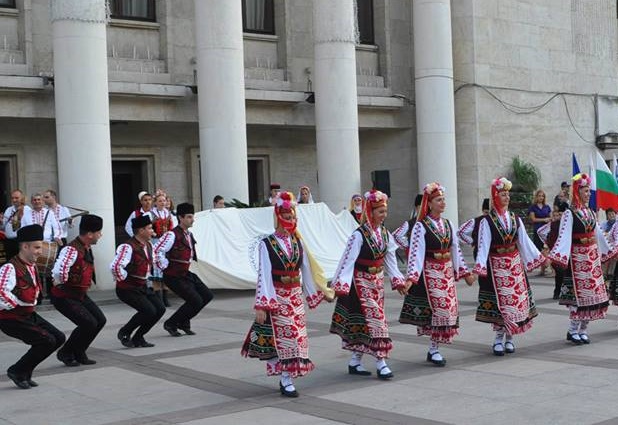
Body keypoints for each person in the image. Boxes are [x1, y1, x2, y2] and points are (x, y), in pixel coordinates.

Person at [241, 192, 327, 397]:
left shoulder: (298, 242)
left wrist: (316, 292)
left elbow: (306, 269)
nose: (291, 221)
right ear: (278, 216)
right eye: (287, 217)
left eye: (293, 217)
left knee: (298, 338)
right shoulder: (267, 243)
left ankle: (284, 374)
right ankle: (286, 378)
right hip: (277, 295)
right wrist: (262, 304)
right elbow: (263, 274)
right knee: (286, 337)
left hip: (295, 296)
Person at [330, 190, 405, 379]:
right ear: (370, 212)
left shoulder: (385, 234)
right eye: (380, 212)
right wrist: (340, 285)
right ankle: (381, 362)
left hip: (377, 283)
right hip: (361, 282)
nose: (384, 215)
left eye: (385, 212)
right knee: (376, 322)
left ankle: (355, 361)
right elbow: (347, 261)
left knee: (365, 323)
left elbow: (390, 260)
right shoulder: (359, 235)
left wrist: (397, 279)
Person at [401, 183, 474, 366]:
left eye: (443, 199)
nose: (442, 203)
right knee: (439, 310)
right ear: (430, 203)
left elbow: (455, 250)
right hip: (431, 271)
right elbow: (416, 252)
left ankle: (435, 348)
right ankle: (433, 349)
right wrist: (411, 277)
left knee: (448, 310)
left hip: (446, 271)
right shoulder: (421, 226)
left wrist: (464, 273)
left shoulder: (448, 224)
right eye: (438, 200)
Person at [472, 177, 543, 356]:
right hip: (497, 266)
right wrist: (480, 266)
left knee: (515, 304)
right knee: (501, 305)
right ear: (495, 197)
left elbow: (524, 241)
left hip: (514, 265)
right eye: (503, 194)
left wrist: (538, 257)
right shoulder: (487, 222)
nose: (507, 198)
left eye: (507, 195)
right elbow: (483, 245)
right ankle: (498, 339)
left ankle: (510, 338)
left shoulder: (515, 218)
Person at [548, 173, 614, 344]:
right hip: (578, 259)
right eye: (585, 191)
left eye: (589, 191)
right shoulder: (570, 213)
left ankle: (583, 329)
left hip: (591, 259)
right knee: (579, 297)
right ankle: (572, 330)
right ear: (578, 192)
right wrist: (559, 256)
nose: (588, 194)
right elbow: (564, 236)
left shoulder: (591, 213)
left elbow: (598, 233)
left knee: (593, 296)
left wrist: (609, 250)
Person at [0, 224, 65, 389]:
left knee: (58, 338)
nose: (40, 251)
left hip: (27, 314)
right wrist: (16, 304)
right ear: (24, 246)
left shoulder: (31, 265)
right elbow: (1, 292)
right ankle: (17, 370)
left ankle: (24, 372)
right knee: (47, 341)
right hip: (11, 318)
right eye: (36, 247)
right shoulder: (10, 267)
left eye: (40, 247)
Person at [51, 215, 106, 367]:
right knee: (88, 323)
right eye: (99, 232)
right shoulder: (71, 249)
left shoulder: (86, 247)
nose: (100, 235)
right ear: (89, 234)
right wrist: (63, 282)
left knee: (100, 320)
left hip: (79, 294)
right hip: (65, 296)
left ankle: (79, 351)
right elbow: (59, 270)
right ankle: (65, 352)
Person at [155, 203, 213, 337]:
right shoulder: (171, 235)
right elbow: (157, 250)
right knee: (195, 300)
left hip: (185, 273)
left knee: (207, 295)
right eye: (189, 217)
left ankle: (183, 322)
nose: (192, 219)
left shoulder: (188, 234)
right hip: (173, 276)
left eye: (192, 216)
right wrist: (165, 266)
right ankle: (171, 323)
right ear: (180, 218)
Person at [111, 215, 165, 348]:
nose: (152, 231)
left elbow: (152, 263)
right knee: (148, 311)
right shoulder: (127, 247)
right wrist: (125, 279)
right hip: (127, 288)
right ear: (141, 231)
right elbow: (116, 266)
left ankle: (138, 337)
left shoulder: (148, 245)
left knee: (160, 309)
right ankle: (125, 331)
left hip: (142, 286)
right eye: (149, 228)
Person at [150, 191, 177, 307]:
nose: (162, 203)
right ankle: (158, 299)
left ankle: (165, 298)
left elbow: (174, 228)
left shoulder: (169, 214)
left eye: (164, 201)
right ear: (155, 202)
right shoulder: (150, 214)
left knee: (165, 270)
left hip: (166, 243)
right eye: (160, 201)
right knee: (156, 271)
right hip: (155, 242)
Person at [537, 201, 568, 299]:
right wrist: (549, 247)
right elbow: (547, 236)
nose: (560, 216)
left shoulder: (569, 225)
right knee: (559, 271)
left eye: (562, 214)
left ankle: (564, 291)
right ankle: (557, 291)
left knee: (565, 273)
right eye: (558, 214)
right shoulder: (554, 224)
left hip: (567, 252)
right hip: (556, 252)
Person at [528, 189, 552, 276]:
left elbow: (551, 217)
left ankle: (544, 268)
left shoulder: (547, 207)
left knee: (545, 249)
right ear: (536, 197)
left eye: (542, 196)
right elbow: (533, 219)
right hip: (537, 230)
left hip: (546, 231)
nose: (541, 197)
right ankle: (541, 268)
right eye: (539, 196)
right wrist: (543, 219)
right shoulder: (533, 207)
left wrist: (549, 219)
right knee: (538, 249)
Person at [2, 190, 31, 260]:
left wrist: (18, 220)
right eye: (12, 198)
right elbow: (3, 226)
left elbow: (29, 227)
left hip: (21, 242)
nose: (14, 200)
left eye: (16, 198)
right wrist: (1, 222)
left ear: (22, 198)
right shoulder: (8, 210)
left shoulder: (27, 210)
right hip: (9, 242)